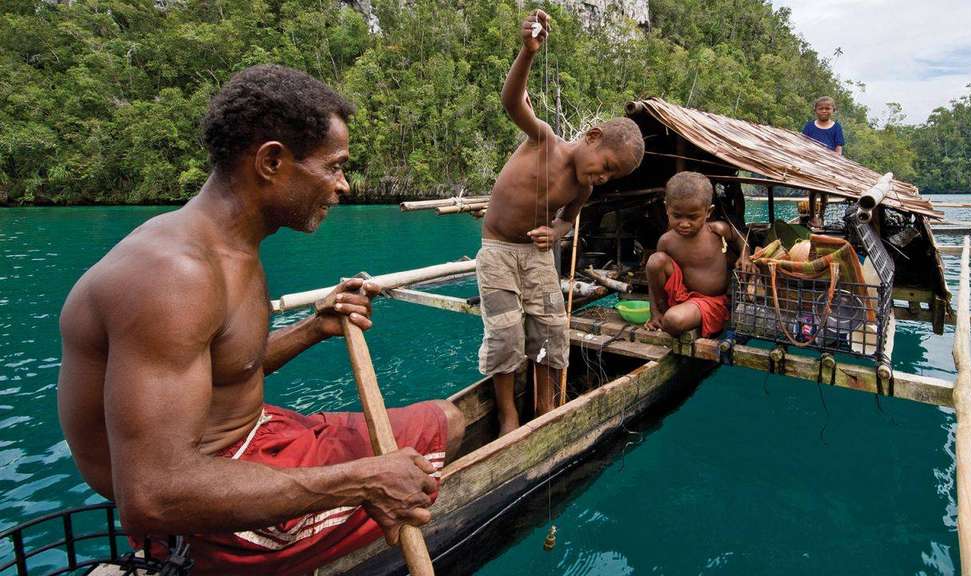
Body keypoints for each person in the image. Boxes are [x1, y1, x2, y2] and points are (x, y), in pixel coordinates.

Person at [57, 65, 465, 576]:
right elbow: (152, 496)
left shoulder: (230, 245)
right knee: (442, 433)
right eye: (334, 166)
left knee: (443, 423)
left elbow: (231, 366)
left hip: (249, 440)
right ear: (272, 161)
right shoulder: (173, 278)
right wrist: (363, 481)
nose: (343, 185)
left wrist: (313, 329)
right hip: (200, 519)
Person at [478, 9, 645, 436]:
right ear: (591, 137)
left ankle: (547, 409)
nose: (603, 177)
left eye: (612, 177)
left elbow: (569, 221)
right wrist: (527, 53)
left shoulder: (583, 189)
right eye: (605, 166)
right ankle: (508, 417)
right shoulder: (545, 141)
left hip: (537, 257)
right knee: (506, 336)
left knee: (553, 332)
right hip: (498, 251)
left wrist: (557, 231)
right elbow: (512, 102)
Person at [644, 172, 751, 338]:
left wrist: (744, 256)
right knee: (655, 261)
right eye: (677, 216)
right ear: (667, 209)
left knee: (672, 320)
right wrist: (654, 312)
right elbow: (653, 280)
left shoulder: (716, 230)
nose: (684, 224)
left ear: (708, 212)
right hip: (679, 297)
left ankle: (672, 316)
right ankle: (662, 312)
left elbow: (741, 238)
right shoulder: (666, 241)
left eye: (693, 217)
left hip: (710, 302)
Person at [801, 96, 845, 227]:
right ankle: (812, 217)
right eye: (821, 108)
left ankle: (822, 216)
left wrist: (836, 162)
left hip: (828, 164)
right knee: (812, 190)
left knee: (825, 191)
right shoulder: (809, 127)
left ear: (833, 110)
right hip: (813, 163)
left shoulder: (836, 127)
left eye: (827, 108)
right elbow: (803, 144)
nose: (824, 111)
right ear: (815, 110)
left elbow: (838, 147)